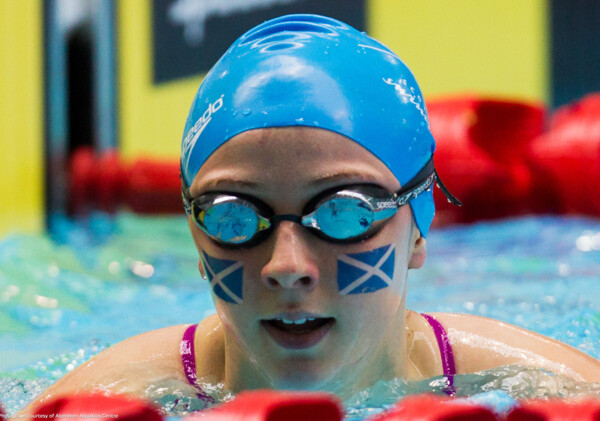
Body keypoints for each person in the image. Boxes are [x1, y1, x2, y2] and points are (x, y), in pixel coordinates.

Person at [23, 13, 600, 414]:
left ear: (419, 228)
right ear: (195, 242)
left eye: (346, 213)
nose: (286, 266)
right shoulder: (113, 399)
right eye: (232, 217)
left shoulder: (540, 386)